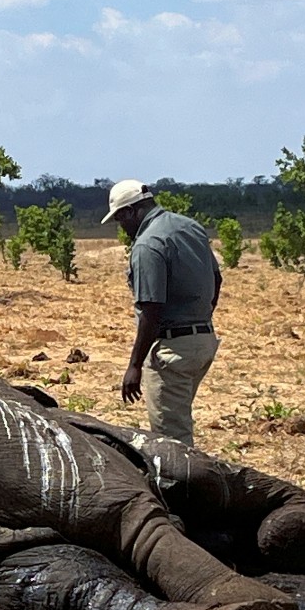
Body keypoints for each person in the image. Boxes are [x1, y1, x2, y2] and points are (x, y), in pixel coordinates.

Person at [102, 179, 222, 447]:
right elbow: (217, 279)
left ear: (132, 211)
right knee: (179, 422)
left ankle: (186, 489)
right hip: (203, 341)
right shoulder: (190, 227)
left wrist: (134, 366)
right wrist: (199, 317)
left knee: (172, 443)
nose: (122, 227)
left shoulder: (147, 245)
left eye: (121, 219)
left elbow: (151, 310)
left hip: (172, 353)